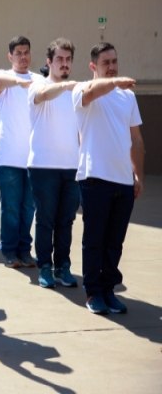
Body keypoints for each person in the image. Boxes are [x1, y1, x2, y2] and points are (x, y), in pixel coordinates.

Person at [73, 42, 145, 315]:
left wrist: (137, 173)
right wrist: (115, 81)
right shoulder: (82, 90)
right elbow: (93, 91)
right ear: (93, 66)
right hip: (94, 178)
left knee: (115, 241)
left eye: (115, 61)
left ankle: (108, 290)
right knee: (95, 239)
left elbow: (136, 140)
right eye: (106, 63)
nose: (112, 67)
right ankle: (93, 293)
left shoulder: (127, 97)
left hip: (123, 180)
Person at [28, 38, 80, 289]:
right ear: (48, 62)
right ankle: (45, 268)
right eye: (59, 59)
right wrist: (67, 86)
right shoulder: (38, 85)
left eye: (68, 59)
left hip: (71, 166)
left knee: (66, 220)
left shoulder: (75, 92)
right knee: (46, 219)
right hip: (43, 166)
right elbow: (42, 95)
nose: (64, 63)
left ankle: (63, 266)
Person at [0, 36, 42, 268]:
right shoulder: (2, 77)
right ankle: (9, 250)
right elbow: (0, 80)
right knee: (11, 206)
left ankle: (24, 249)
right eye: (18, 53)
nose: (23, 57)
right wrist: (20, 82)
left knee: (28, 207)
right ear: (10, 56)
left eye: (26, 52)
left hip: (33, 158)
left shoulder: (39, 80)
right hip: (8, 156)